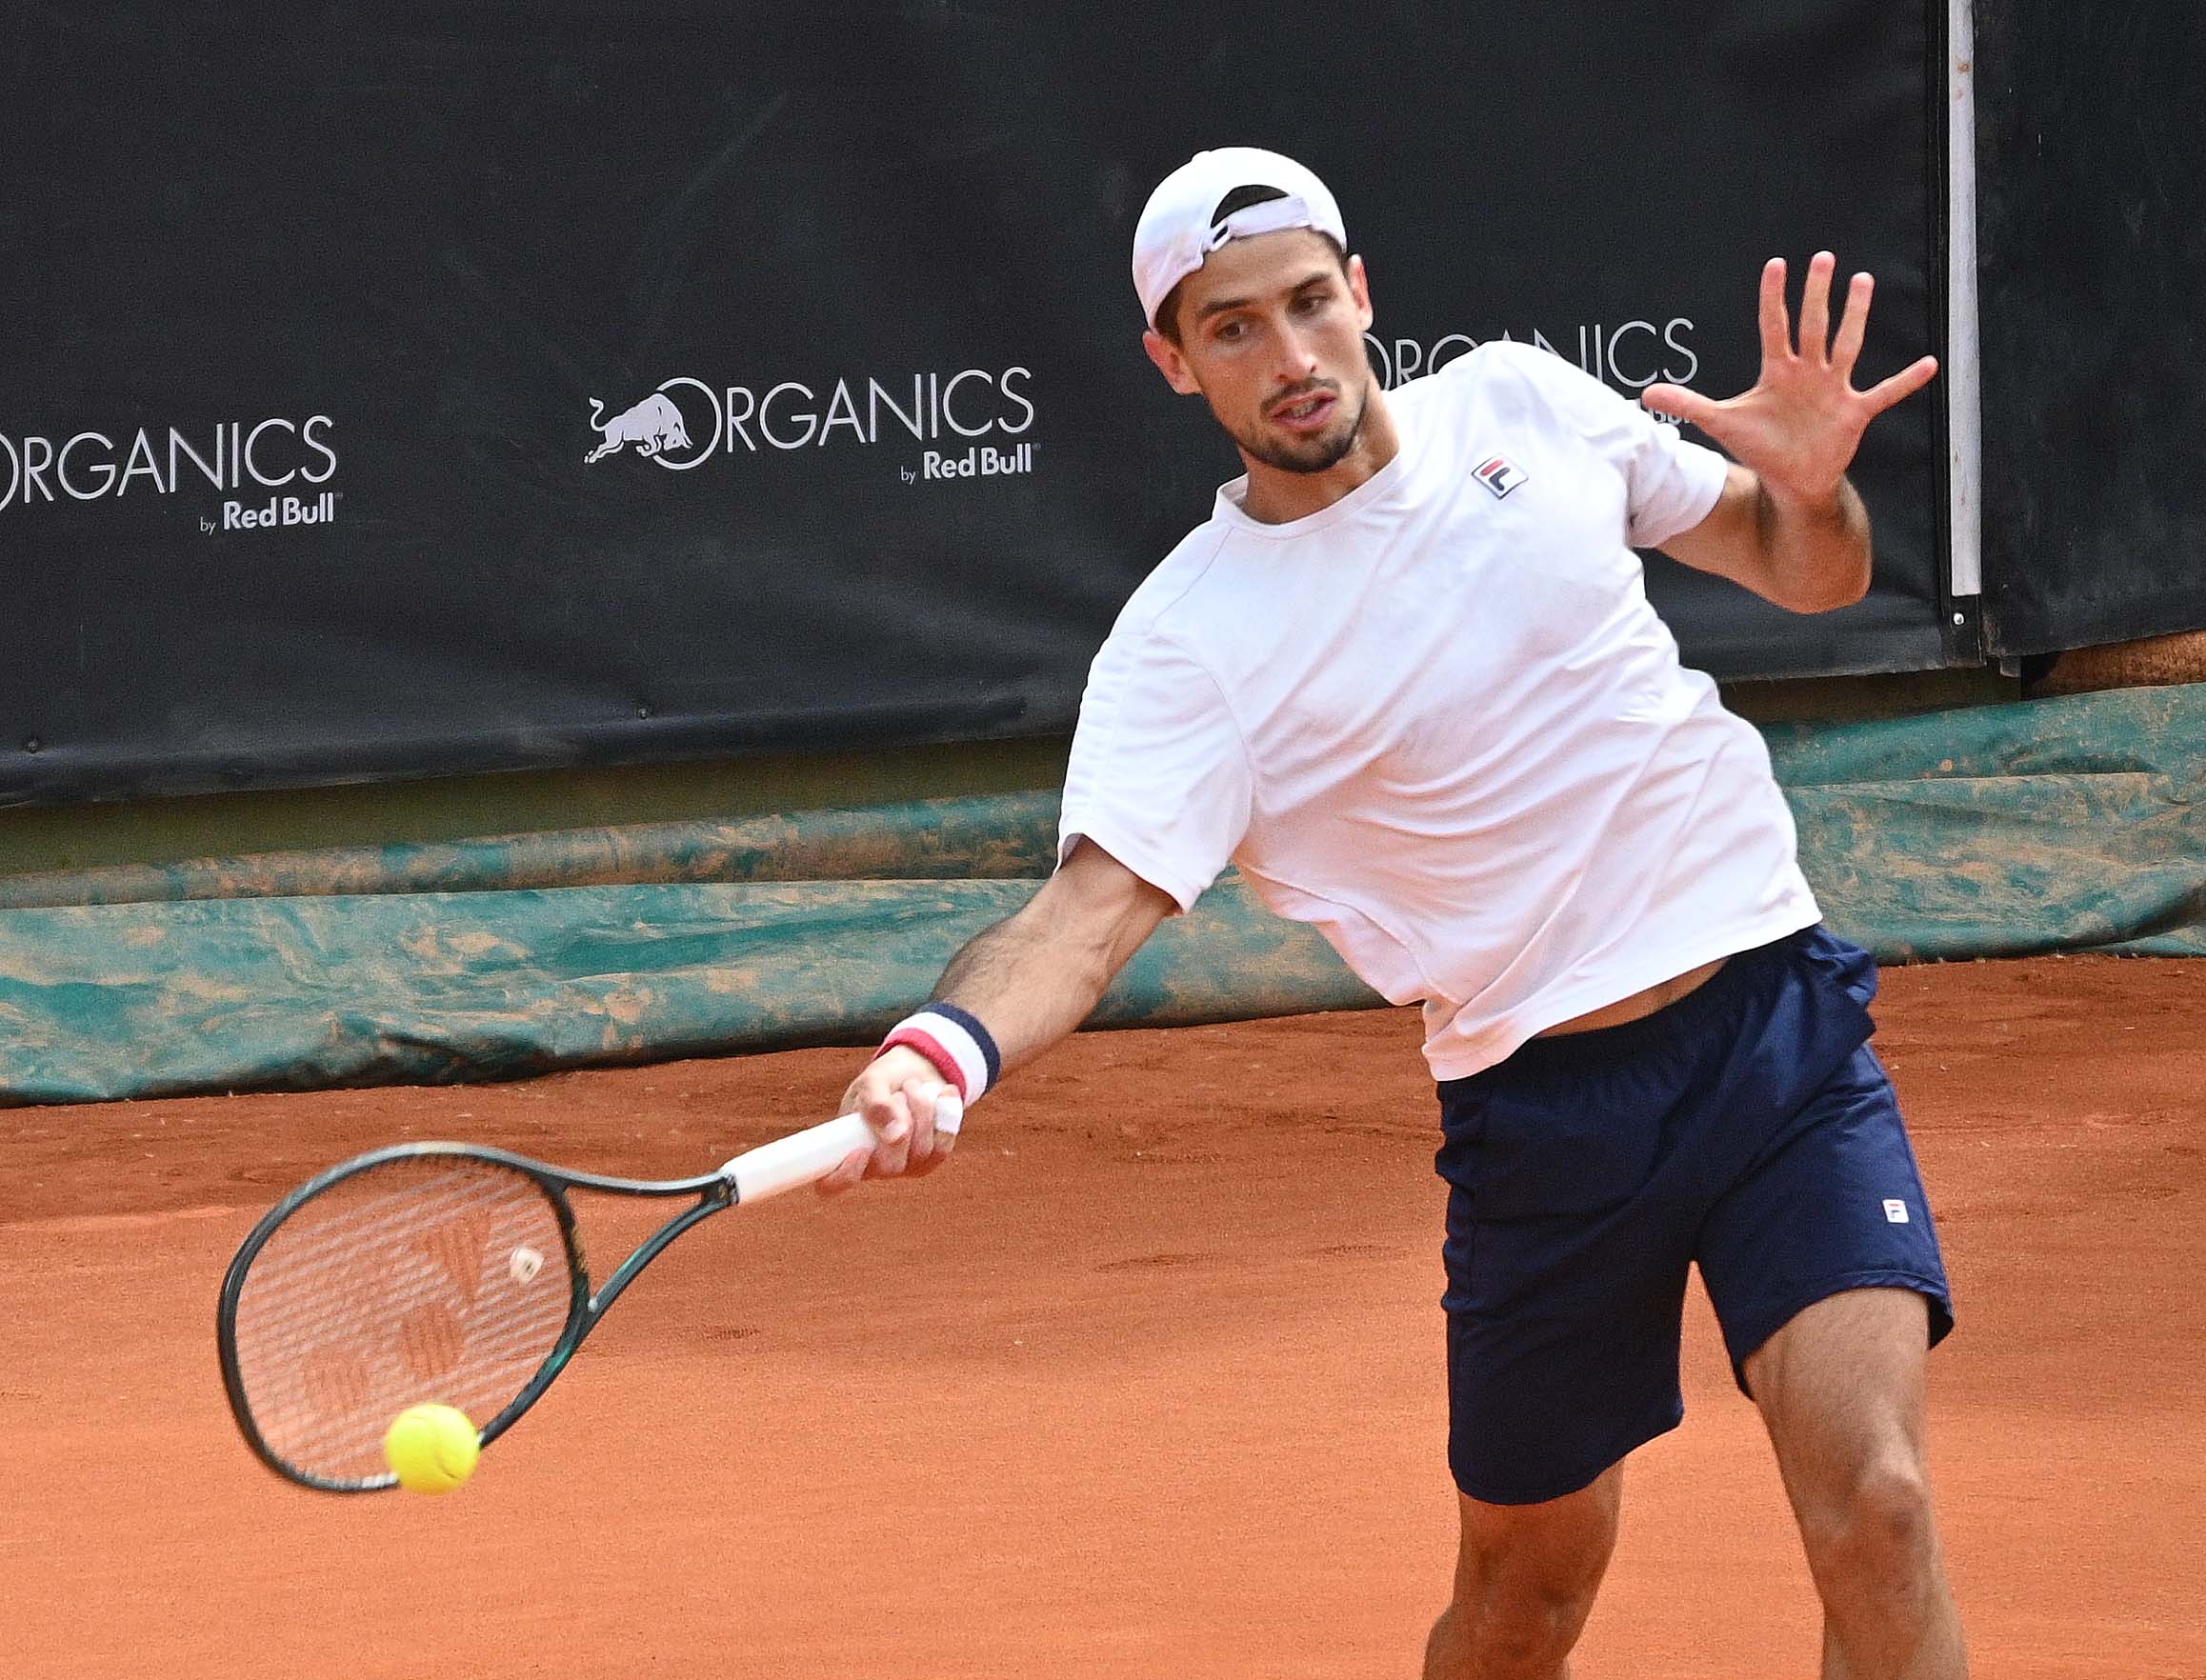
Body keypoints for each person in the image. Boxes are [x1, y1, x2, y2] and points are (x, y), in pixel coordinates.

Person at [823, 147, 1966, 1679]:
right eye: (1232, 328)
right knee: (1524, 1600)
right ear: (1175, 362)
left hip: (1777, 1032)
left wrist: (1818, 494)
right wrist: (940, 1052)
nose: (1290, 357)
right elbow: (1083, 919)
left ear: (1361, 293)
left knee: (1877, 1511)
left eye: (1308, 303)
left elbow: (1802, 569)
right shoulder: (1189, 646)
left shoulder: (1520, 402)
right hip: (1545, 1118)